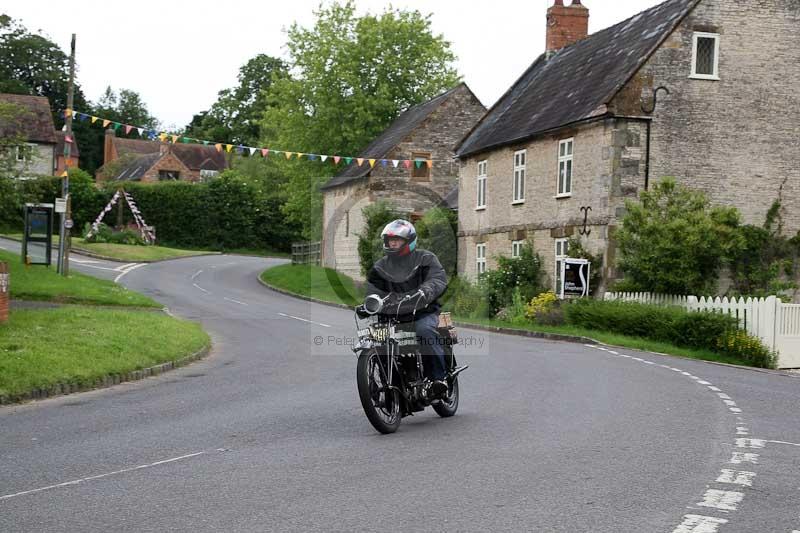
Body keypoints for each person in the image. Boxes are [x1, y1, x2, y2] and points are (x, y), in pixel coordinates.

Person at [364, 219, 449, 399]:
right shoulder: (380, 267)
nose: (392, 243)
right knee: (377, 340)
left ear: (409, 241)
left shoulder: (425, 258)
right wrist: (369, 303)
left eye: (397, 240)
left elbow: (438, 279)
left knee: (424, 332)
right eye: (389, 240)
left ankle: (437, 380)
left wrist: (426, 290)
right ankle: (392, 388)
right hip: (391, 316)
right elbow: (373, 291)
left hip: (423, 311)